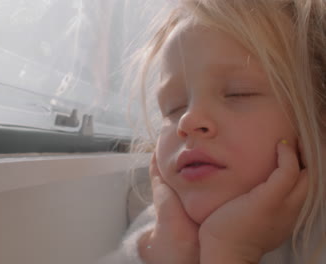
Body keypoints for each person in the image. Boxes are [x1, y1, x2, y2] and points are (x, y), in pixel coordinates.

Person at [98, 0, 326, 263]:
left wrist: (234, 252)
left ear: (319, 120)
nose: (187, 120)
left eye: (239, 92)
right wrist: (168, 249)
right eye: (174, 108)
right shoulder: (167, 220)